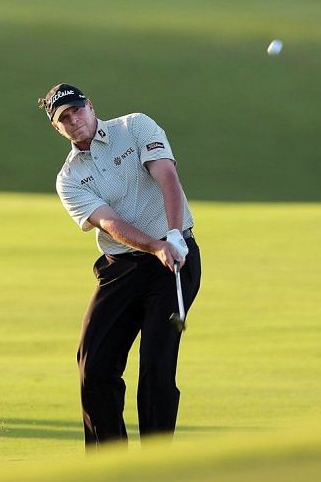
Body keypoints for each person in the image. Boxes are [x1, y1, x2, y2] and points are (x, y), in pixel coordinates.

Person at [38, 83, 201, 447]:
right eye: (64, 117)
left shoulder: (136, 126)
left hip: (176, 260)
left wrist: (173, 235)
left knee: (156, 365)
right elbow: (110, 223)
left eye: (77, 109)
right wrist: (155, 245)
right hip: (122, 267)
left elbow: (167, 177)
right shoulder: (70, 179)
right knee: (93, 365)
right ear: (57, 128)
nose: (74, 119)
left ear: (91, 106)